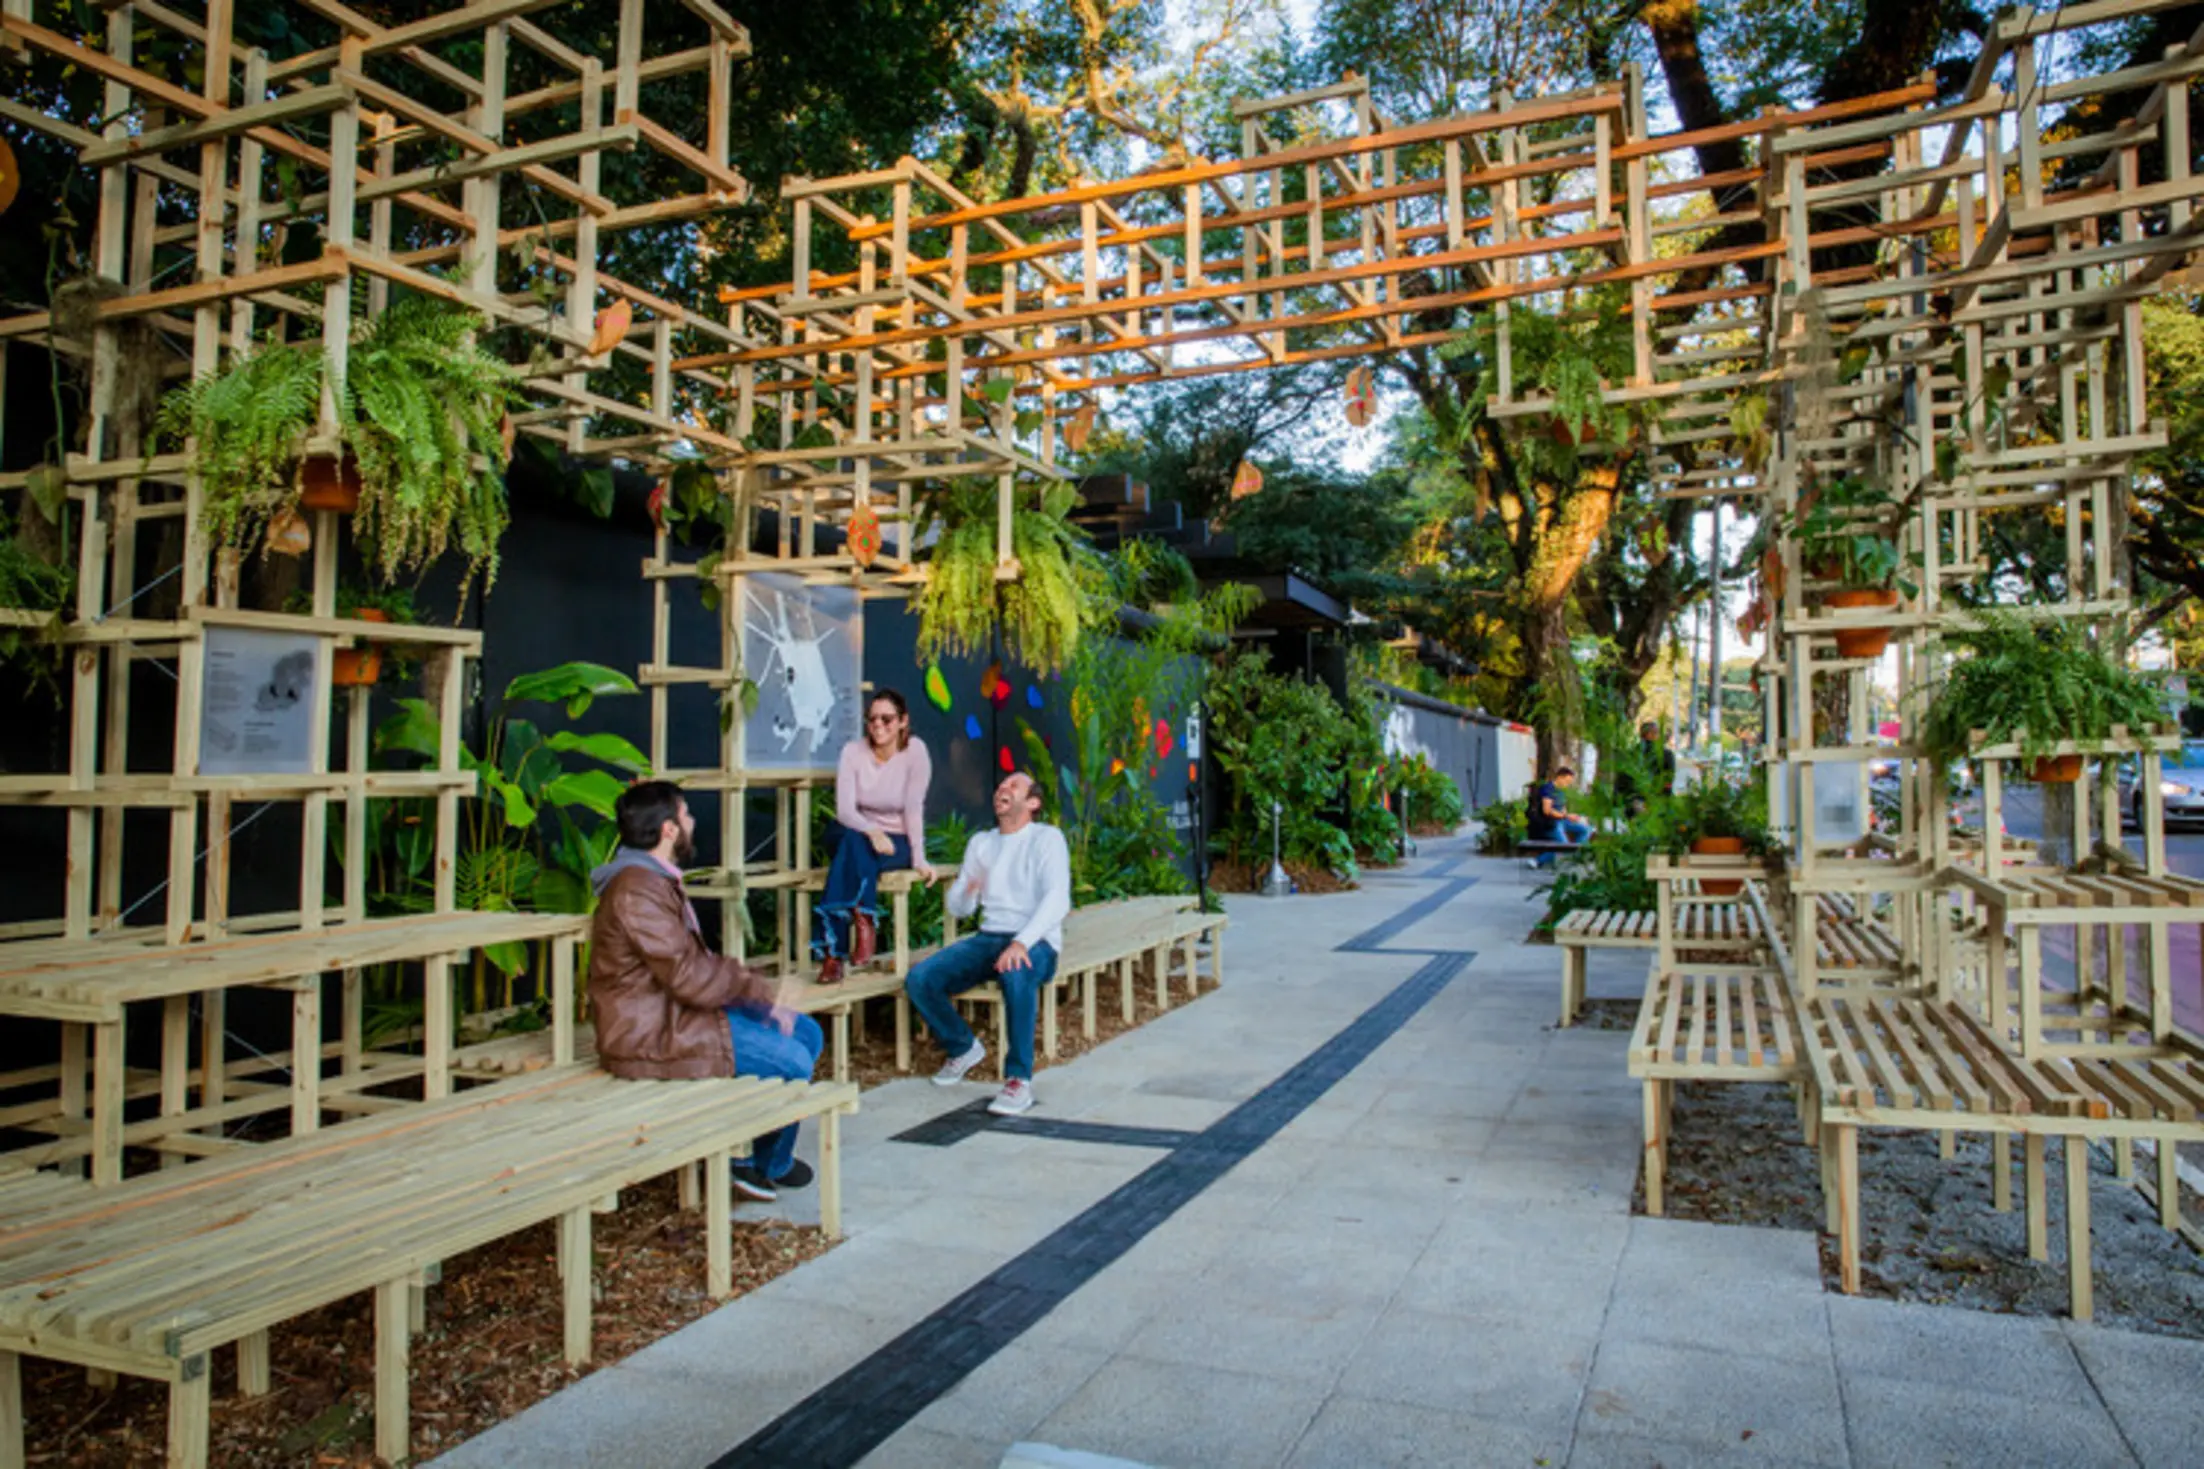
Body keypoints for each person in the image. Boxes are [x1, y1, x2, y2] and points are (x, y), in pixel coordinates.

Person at [590, 780, 824, 1202]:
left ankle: (770, 1163)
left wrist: (759, 994)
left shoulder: (652, 879)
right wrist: (761, 992)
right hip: (652, 1034)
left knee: (807, 1033)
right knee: (794, 1060)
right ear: (668, 830)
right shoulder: (636, 890)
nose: (693, 822)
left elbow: (691, 971)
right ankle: (747, 1166)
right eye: (686, 815)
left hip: (677, 1014)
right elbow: (689, 976)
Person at [903, 770, 1072, 1117]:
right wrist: (967, 890)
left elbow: (1057, 900)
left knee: (1015, 973)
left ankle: (1018, 1079)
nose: (1002, 789)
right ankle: (963, 1047)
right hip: (989, 937)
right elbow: (958, 908)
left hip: (1037, 941)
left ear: (1033, 802)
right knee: (920, 979)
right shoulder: (982, 843)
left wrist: (1022, 943)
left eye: (1014, 786)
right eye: (1000, 785)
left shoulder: (1046, 838)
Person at [814, 688, 936, 984]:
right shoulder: (852, 752)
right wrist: (871, 830)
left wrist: (919, 857)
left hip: (896, 841)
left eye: (887, 719)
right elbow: (844, 811)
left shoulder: (915, 752)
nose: (878, 725)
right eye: (872, 719)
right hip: (857, 831)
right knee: (852, 840)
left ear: (903, 721)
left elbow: (913, 807)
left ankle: (833, 954)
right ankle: (863, 915)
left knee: (852, 849)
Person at [1526, 766, 1591, 868]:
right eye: (1567, 781)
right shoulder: (1548, 789)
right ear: (1560, 777)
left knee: (1586, 829)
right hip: (1551, 823)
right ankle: (1538, 861)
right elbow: (1547, 810)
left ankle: (1575, 856)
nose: (1567, 784)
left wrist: (1573, 817)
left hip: (1562, 821)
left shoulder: (1560, 792)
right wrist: (1566, 815)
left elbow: (1563, 810)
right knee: (1563, 846)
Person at [1617, 722, 1677, 814]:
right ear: (1650, 734)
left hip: (1634, 801)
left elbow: (1623, 781)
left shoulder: (1631, 754)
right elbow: (1669, 779)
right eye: (1657, 733)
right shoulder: (1667, 754)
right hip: (1658, 800)